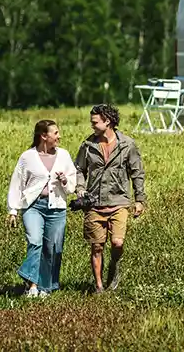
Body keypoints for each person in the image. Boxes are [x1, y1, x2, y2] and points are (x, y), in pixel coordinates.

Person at [74, 104, 146, 294]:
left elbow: (137, 172)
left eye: (95, 122)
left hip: (119, 202)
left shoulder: (127, 144)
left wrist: (139, 199)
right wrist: (80, 188)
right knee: (97, 246)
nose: (92, 125)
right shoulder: (87, 145)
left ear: (108, 121)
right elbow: (78, 169)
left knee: (117, 243)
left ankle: (114, 266)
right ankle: (99, 286)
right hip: (94, 203)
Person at [7, 119, 77, 298]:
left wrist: (64, 180)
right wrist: (13, 210)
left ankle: (45, 288)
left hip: (57, 207)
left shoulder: (64, 155)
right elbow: (17, 184)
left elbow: (72, 186)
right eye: (55, 133)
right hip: (33, 206)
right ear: (43, 136)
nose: (59, 136)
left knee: (52, 248)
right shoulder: (27, 157)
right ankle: (32, 285)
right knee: (35, 242)